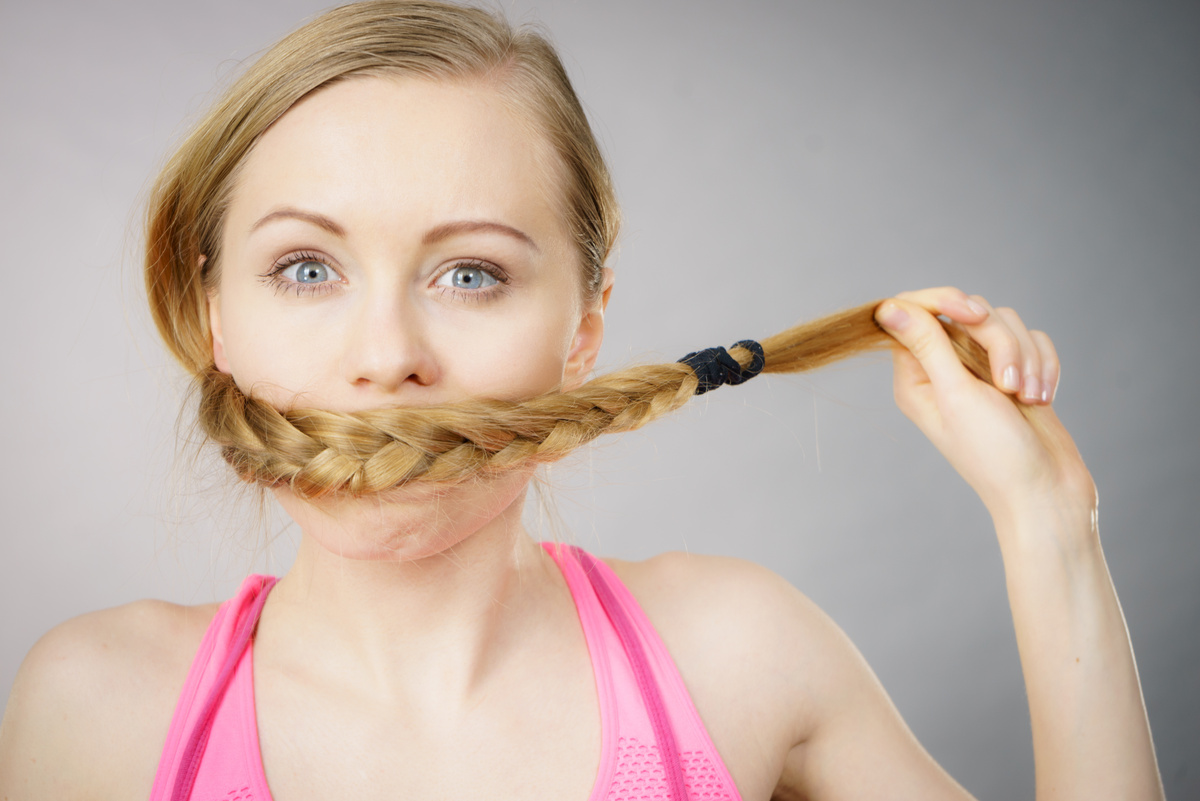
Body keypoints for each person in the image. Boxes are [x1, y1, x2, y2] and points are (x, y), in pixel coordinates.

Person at [0, 2, 1164, 799]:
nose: (387, 355)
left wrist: (1052, 527)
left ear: (583, 333)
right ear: (215, 320)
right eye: (307, 267)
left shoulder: (741, 653)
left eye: (472, 274)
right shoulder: (97, 709)